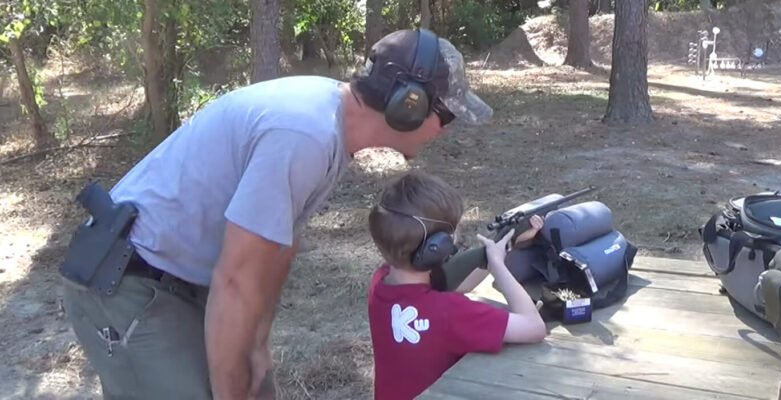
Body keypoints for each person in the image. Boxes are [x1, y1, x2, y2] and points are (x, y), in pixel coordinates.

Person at [60, 28, 493, 400]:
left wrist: (257, 341)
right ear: (409, 104)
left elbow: (281, 244)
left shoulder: (331, 131)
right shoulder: (304, 134)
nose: (448, 127)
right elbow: (235, 280)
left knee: (253, 381)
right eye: (447, 113)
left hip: (179, 281)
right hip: (126, 284)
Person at [367, 172, 548, 400]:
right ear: (438, 248)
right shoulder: (449, 311)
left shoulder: (381, 282)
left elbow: (452, 283)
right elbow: (534, 327)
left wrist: (504, 245)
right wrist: (498, 266)